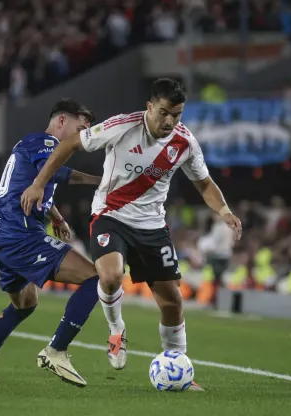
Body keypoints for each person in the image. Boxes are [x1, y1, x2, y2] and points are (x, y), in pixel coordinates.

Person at [21, 79, 242, 392]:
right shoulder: (122, 126)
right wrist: (40, 183)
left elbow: (204, 184)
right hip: (110, 216)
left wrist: (225, 212)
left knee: (172, 302)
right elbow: (70, 144)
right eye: (164, 112)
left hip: (152, 227)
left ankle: (178, 368)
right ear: (150, 107)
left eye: (176, 115)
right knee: (109, 277)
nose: (169, 121)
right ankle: (116, 330)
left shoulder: (185, 142)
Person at [0, 99, 103, 387]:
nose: (83, 137)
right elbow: (58, 174)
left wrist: (57, 217)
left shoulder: (34, 147)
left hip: (4, 235)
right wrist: (102, 180)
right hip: (21, 235)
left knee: (24, 303)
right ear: (62, 121)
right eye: (81, 128)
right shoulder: (45, 142)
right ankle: (56, 350)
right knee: (96, 278)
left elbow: (35, 185)